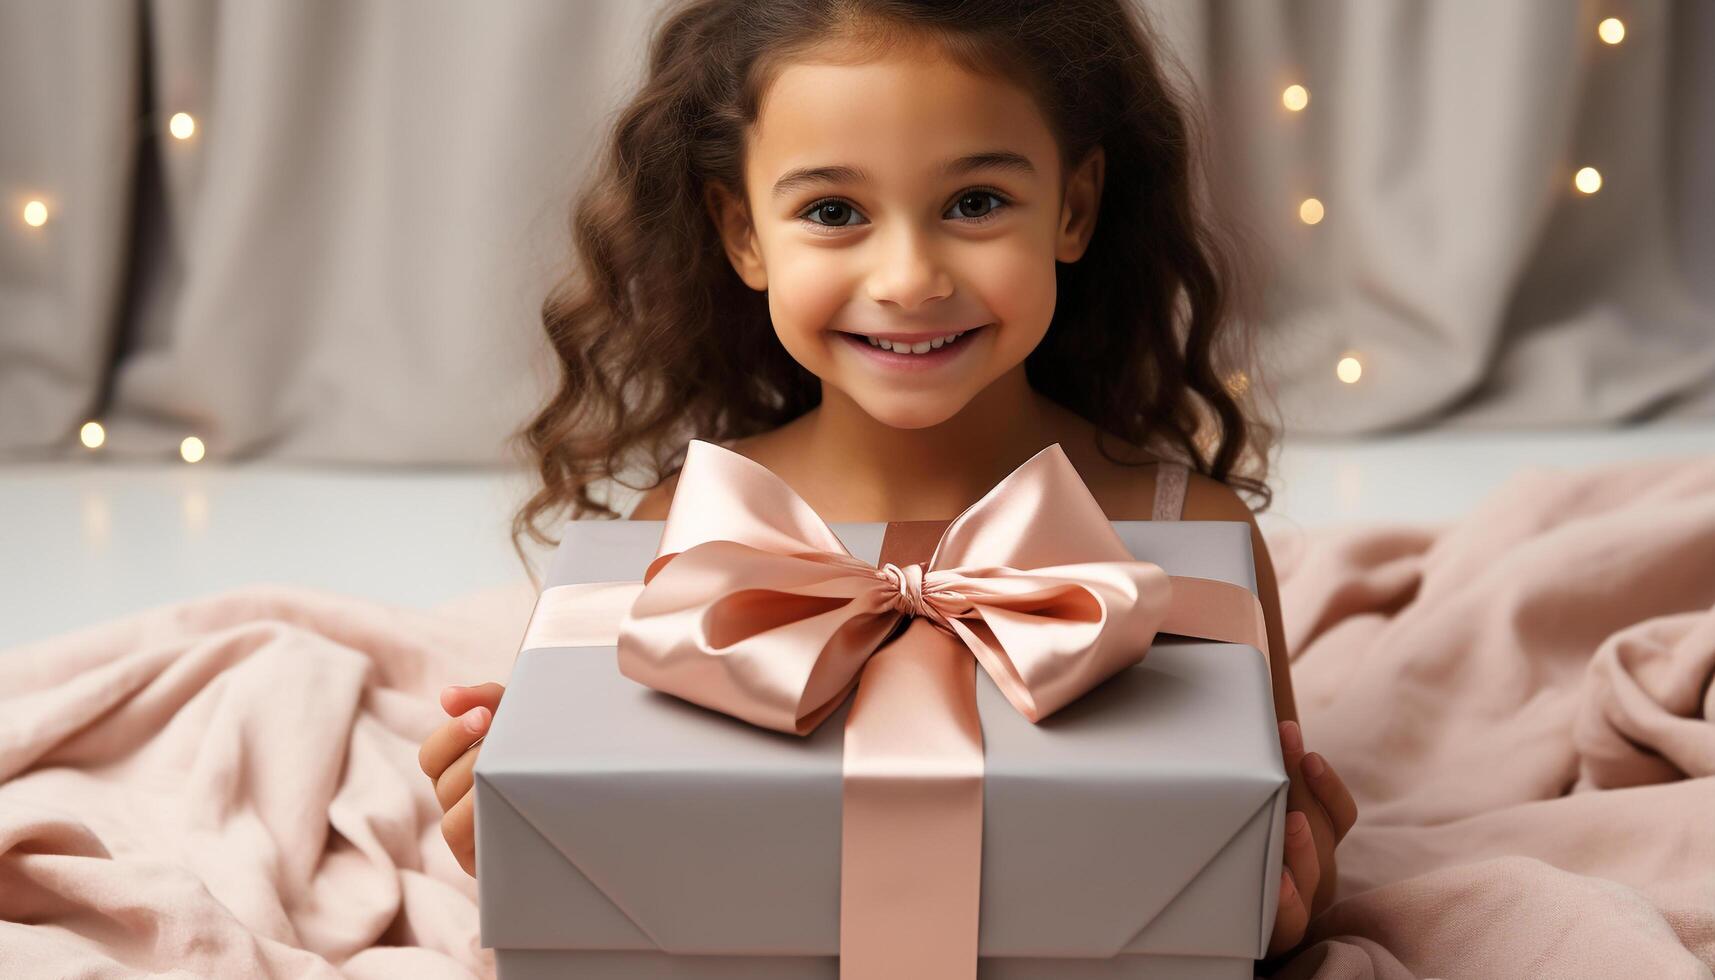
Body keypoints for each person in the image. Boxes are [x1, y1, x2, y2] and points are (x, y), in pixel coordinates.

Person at [419, 0, 1357, 961]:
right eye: (833, 212)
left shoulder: (1194, 535)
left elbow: (1248, 862)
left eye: (975, 202)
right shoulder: (691, 525)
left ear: (1073, 208)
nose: (909, 277)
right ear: (742, 233)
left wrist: (1288, 897)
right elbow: (657, 844)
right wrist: (531, 831)